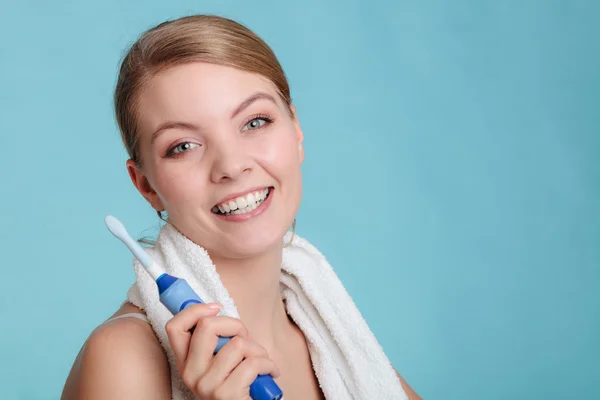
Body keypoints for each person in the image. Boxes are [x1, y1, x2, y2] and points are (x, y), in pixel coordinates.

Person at [61, 15, 421, 400]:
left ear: (296, 130)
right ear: (146, 184)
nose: (232, 166)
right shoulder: (123, 359)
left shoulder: (335, 338)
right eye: (183, 146)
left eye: (255, 122)